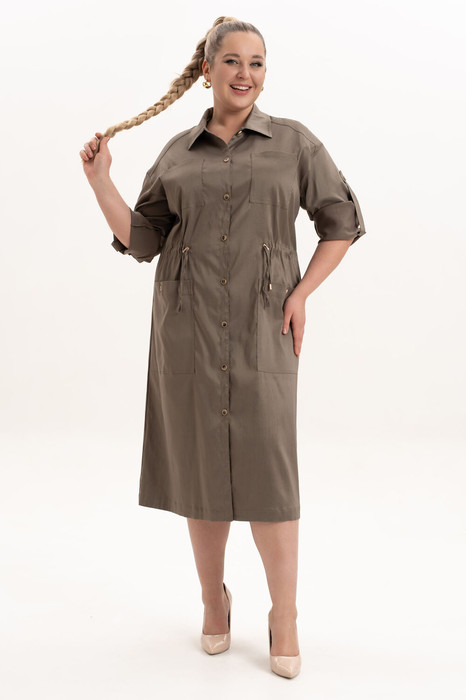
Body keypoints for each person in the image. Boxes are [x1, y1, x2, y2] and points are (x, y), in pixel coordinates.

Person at [80, 16, 366, 679]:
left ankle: (284, 613)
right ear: (207, 71)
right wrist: (100, 182)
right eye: (232, 61)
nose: (245, 74)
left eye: (257, 63)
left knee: (271, 473)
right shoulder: (177, 154)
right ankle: (214, 600)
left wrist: (302, 293)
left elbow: (341, 222)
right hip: (188, 330)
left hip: (266, 327)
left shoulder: (294, 144)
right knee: (201, 471)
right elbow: (143, 241)